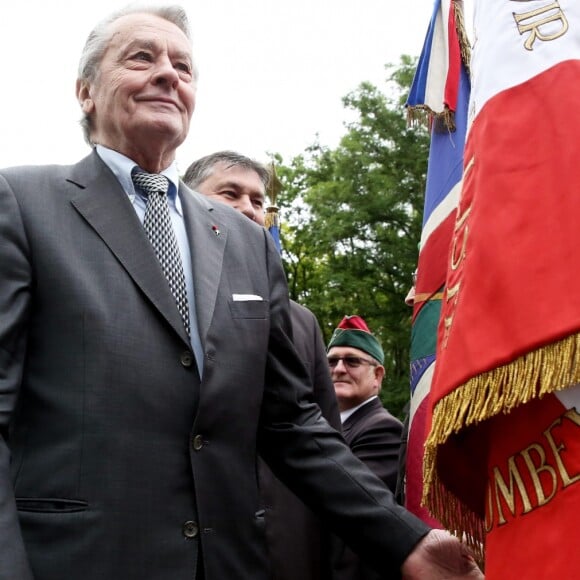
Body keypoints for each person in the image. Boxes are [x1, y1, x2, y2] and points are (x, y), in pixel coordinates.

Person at [0, 4, 484, 580]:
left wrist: (405, 541)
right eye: (141, 58)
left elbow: (292, 422)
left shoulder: (245, 243)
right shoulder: (23, 203)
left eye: (183, 66)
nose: (168, 74)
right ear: (85, 91)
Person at [184, 150, 341, 580]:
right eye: (230, 193)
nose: (248, 209)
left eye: (258, 200)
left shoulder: (300, 322)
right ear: (185, 201)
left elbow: (322, 433)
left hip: (288, 542)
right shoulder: (160, 298)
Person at [327, 315, 405, 580]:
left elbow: (359, 525)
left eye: (352, 361)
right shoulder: (324, 429)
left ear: (378, 375)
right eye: (331, 361)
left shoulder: (382, 430)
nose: (338, 369)